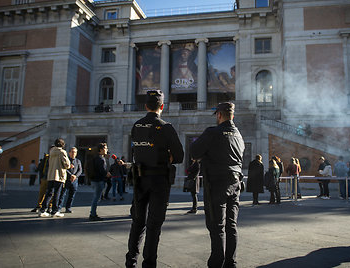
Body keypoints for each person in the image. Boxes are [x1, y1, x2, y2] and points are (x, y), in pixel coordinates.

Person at [125, 90, 184, 268]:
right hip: (159, 180)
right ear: (162, 106)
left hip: (140, 179)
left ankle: (131, 262)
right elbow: (180, 156)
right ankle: (149, 264)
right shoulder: (166, 127)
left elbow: (136, 151)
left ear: (146, 106)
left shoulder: (136, 125)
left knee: (137, 222)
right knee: (154, 224)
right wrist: (168, 156)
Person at [191, 102, 245, 268]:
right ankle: (231, 262)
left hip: (216, 184)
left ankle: (216, 262)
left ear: (219, 115)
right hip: (235, 183)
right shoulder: (238, 135)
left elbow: (194, 152)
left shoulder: (212, 132)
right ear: (232, 116)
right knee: (231, 225)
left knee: (217, 226)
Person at [39, 139, 71, 218]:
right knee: (57, 193)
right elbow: (67, 164)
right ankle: (54, 211)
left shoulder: (51, 151)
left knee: (49, 193)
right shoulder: (62, 152)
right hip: (59, 175)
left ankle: (43, 210)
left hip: (51, 175)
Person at [89, 143, 111, 221]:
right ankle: (93, 214)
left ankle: (93, 213)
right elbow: (101, 170)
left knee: (96, 197)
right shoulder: (100, 159)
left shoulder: (96, 158)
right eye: (105, 148)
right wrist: (106, 174)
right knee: (96, 198)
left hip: (95, 180)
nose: (107, 150)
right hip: (99, 180)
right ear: (101, 150)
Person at [59, 147, 82, 213]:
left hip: (74, 180)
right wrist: (70, 175)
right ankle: (59, 207)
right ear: (69, 153)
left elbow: (80, 170)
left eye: (74, 152)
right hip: (66, 179)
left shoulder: (78, 161)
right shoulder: (66, 160)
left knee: (72, 195)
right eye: (72, 152)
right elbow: (64, 168)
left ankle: (68, 207)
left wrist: (75, 176)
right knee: (62, 194)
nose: (73, 153)